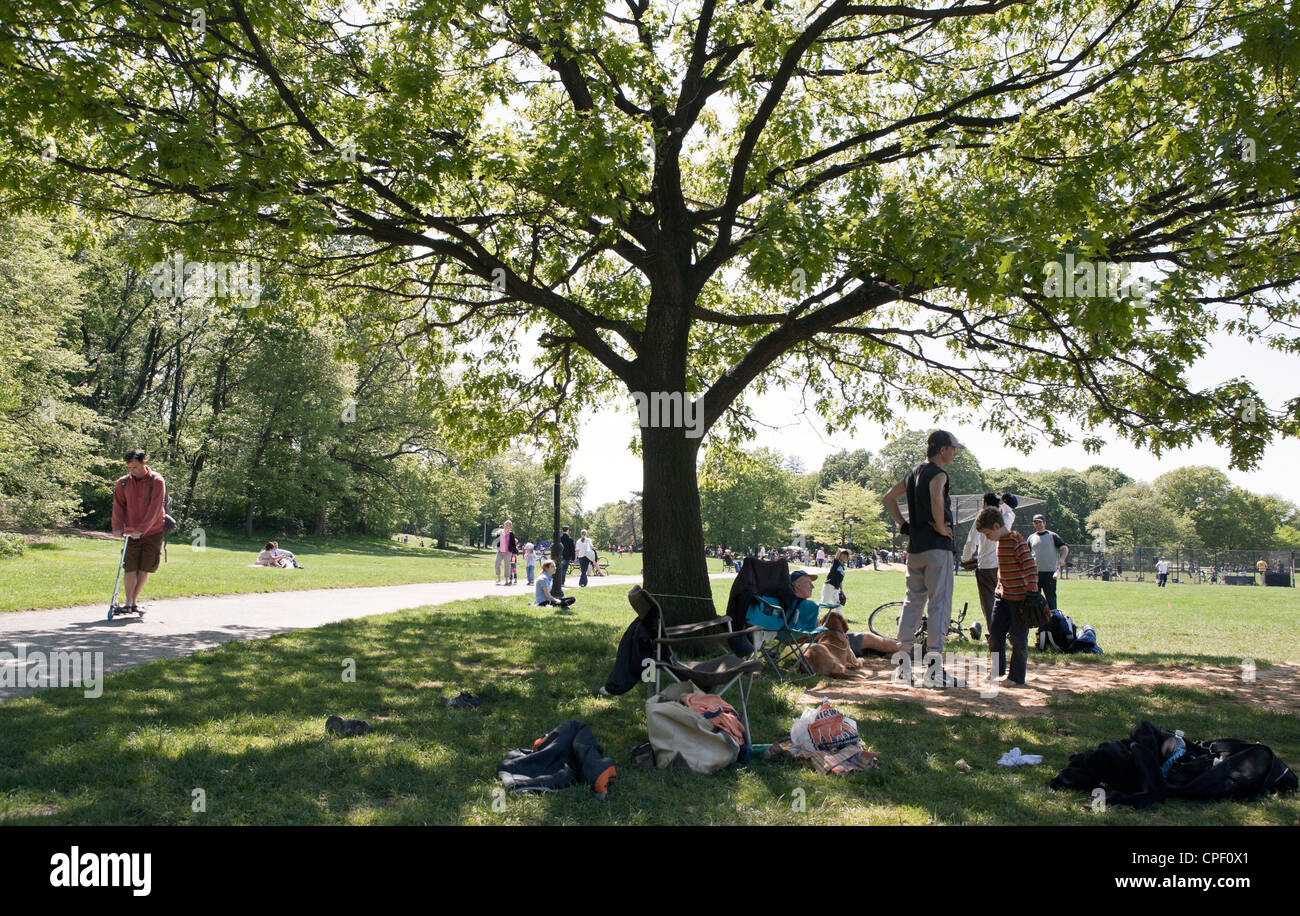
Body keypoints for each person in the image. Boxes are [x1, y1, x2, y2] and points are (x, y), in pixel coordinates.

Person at [882, 430, 960, 686]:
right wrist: (939, 527)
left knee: (912, 603)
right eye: (953, 448)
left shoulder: (913, 473)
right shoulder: (939, 473)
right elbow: (937, 499)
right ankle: (935, 671)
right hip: (937, 548)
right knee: (939, 604)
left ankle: (903, 668)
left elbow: (888, 498)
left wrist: (904, 525)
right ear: (942, 449)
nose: (955, 452)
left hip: (915, 550)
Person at [973, 507, 1040, 687]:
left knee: (1018, 637)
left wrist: (1033, 590)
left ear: (996, 526)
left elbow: (1030, 566)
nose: (988, 538)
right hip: (1002, 596)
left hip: (1019, 598)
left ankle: (1016, 677)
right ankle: (997, 670)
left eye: (988, 534)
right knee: (995, 633)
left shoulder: (1015, 540)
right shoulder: (1000, 542)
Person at [110, 448, 168, 615]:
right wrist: (117, 527)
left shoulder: (156, 481)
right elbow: (118, 507)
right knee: (129, 567)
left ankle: (134, 601)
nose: (132, 471)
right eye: (129, 467)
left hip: (153, 531)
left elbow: (155, 509)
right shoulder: (122, 483)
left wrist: (142, 530)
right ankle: (128, 602)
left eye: (134, 467)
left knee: (144, 568)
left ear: (143, 463)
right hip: (130, 532)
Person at [961, 492, 1015, 633]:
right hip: (1003, 565)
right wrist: (1002, 500)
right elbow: (1010, 511)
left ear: (984, 503)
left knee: (988, 602)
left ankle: (994, 634)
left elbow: (971, 541)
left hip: (985, 566)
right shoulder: (1006, 517)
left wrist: (965, 559)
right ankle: (1008, 631)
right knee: (1005, 600)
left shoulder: (982, 518)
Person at [1028, 514, 1068, 610]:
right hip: (1035, 574)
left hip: (1050, 573)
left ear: (1044, 523)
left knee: (1051, 600)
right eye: (1035, 522)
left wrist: (1062, 559)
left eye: (1040, 522)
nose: (1038, 524)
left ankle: (1054, 620)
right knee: (1035, 600)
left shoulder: (1052, 536)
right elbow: (1027, 554)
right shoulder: (1031, 538)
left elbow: (1065, 548)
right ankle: (1040, 621)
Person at [493, 520, 519, 586]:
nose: (506, 526)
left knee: (507, 566)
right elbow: (496, 540)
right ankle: (499, 579)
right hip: (500, 551)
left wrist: (514, 553)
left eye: (508, 525)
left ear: (510, 526)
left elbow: (513, 544)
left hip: (508, 552)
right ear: (504, 525)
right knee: (497, 564)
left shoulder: (511, 534)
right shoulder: (500, 532)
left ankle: (506, 581)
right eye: (505, 524)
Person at [554, 525, 575, 596]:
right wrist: (573, 558)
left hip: (559, 556)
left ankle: (557, 582)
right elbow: (572, 549)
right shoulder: (570, 539)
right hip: (566, 557)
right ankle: (562, 582)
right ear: (568, 530)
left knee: (557, 569)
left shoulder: (559, 538)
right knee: (564, 570)